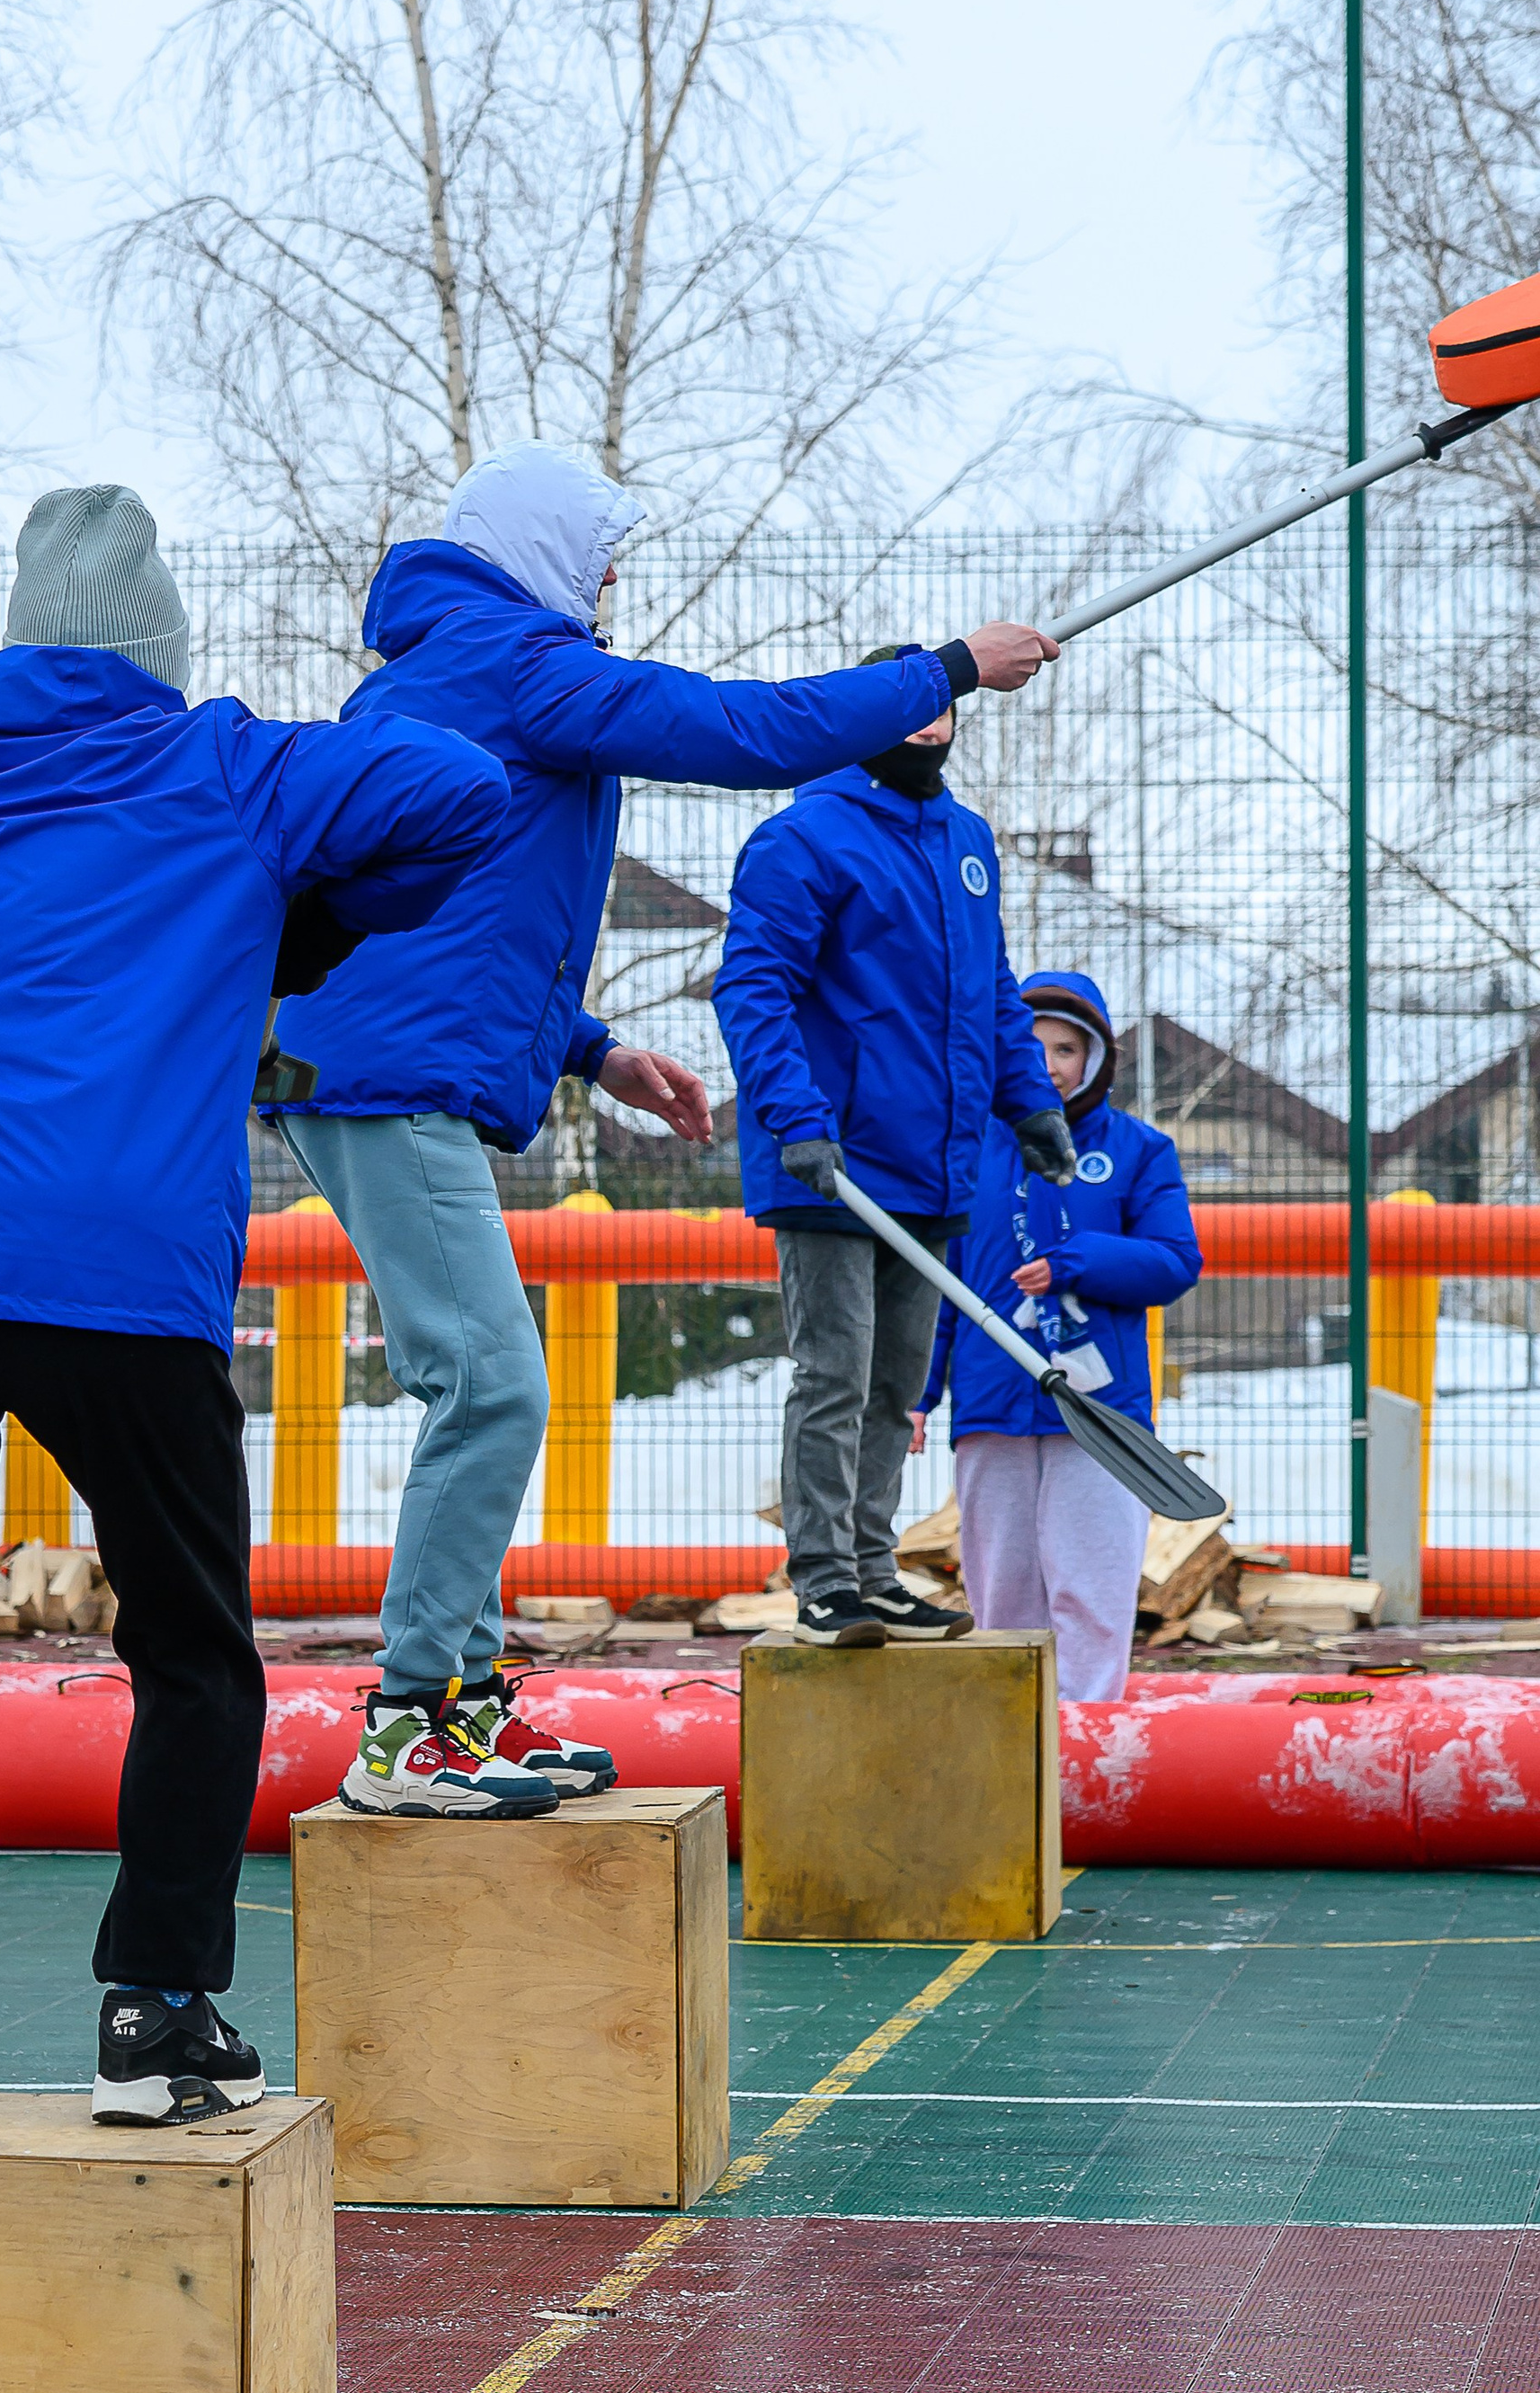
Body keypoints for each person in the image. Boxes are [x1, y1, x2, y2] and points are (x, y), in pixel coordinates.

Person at [0, 485, 511, 2121]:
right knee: (191, 1646)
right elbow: (459, 796)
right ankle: (156, 2012)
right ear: (161, 647)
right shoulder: (231, 767)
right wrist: (295, 920)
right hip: (121, 1275)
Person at [275, 442, 1058, 1804]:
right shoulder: (516, 663)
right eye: (602, 552)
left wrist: (591, 1050)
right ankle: (412, 1722)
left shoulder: (437, 671)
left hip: (390, 1058)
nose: (616, 576)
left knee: (484, 1384)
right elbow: (737, 732)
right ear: (542, 552)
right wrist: (939, 669)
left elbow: (436, 921)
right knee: (494, 1385)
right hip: (381, 1079)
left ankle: (458, 1702)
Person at [712, 683, 1072, 1646]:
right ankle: (823, 1579)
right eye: (910, 702)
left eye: (943, 705)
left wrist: (1028, 1100)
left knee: (897, 1385)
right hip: (833, 1161)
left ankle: (873, 1571)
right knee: (834, 1372)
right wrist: (795, 1117)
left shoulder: (966, 842)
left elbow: (991, 989)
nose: (929, 722)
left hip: (935, 1165)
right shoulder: (804, 838)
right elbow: (753, 987)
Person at [911, 970, 1203, 1700]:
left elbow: (1175, 1262)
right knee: (1003, 1594)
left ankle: (1088, 1749)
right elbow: (939, 1286)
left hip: (1101, 1415)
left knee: (1091, 1589)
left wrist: (1077, 1263)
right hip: (991, 1406)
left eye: (1066, 1048)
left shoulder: (1140, 1151)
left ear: (1096, 1058)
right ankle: (1011, 1748)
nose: (1047, 1062)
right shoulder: (964, 1150)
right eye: (1029, 1044)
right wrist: (919, 1391)